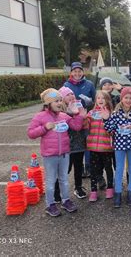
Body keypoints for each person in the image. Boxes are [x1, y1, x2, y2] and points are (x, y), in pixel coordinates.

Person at [27, 88, 86, 217]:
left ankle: (65, 200)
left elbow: (76, 127)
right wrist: (44, 128)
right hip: (50, 155)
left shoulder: (64, 116)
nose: (60, 103)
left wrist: (77, 114)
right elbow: (31, 133)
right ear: (48, 104)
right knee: (51, 181)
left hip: (64, 154)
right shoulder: (40, 116)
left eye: (60, 100)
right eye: (56, 101)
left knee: (64, 179)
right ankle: (50, 204)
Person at [102, 87, 131, 208]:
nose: (128, 100)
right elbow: (109, 129)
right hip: (119, 146)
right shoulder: (115, 114)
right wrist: (105, 119)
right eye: (126, 97)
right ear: (121, 99)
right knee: (119, 169)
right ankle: (118, 193)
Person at [53, 86, 88, 202]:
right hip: (66, 146)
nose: (71, 96)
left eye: (72, 94)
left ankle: (78, 187)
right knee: (64, 170)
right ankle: (56, 191)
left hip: (79, 144)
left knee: (78, 167)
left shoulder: (80, 107)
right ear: (62, 98)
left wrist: (84, 117)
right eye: (67, 95)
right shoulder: (61, 112)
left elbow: (83, 124)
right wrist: (76, 115)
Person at [64, 62, 96, 179]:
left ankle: (88, 166)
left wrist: (89, 103)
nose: (77, 73)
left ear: (83, 72)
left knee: (87, 141)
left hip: (86, 118)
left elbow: (94, 100)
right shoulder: (66, 85)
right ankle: (79, 167)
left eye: (79, 71)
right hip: (72, 119)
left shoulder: (89, 84)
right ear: (71, 72)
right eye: (75, 71)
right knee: (75, 144)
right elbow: (63, 101)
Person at [87, 90, 115, 201]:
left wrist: (107, 118)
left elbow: (113, 131)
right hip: (93, 147)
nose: (100, 100)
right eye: (98, 98)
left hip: (107, 147)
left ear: (107, 100)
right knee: (93, 170)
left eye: (103, 98)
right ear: (96, 100)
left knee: (108, 168)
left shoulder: (111, 113)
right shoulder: (91, 113)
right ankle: (93, 191)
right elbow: (85, 126)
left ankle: (110, 188)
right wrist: (83, 116)